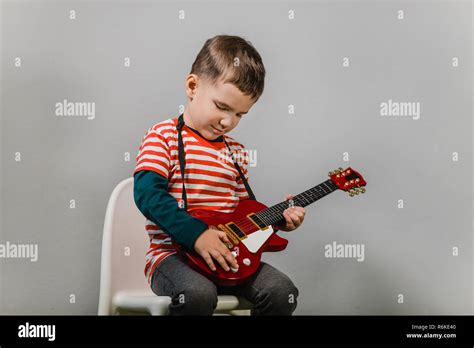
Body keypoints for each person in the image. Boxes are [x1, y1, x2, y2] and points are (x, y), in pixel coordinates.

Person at [133, 35, 305, 315]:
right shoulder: (161, 136)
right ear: (192, 86)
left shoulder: (236, 152)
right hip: (174, 257)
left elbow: (242, 217)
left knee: (281, 291)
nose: (228, 121)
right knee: (197, 294)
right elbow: (147, 195)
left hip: (230, 258)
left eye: (240, 115)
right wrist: (198, 235)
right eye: (222, 107)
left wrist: (277, 222)